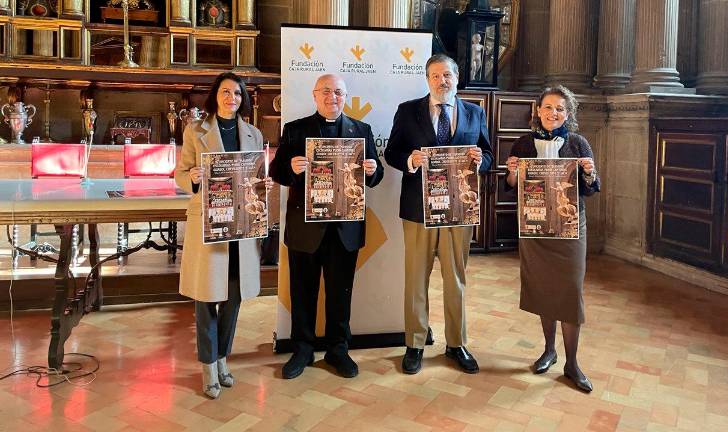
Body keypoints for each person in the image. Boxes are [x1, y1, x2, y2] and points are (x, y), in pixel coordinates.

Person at [384, 54, 493, 375]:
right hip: (418, 209)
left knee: (455, 279)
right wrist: (411, 161)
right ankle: (415, 344)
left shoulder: (475, 112)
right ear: (427, 79)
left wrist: (479, 159)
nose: (441, 80)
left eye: (447, 74)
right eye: (435, 75)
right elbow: (392, 152)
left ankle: (456, 344)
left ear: (457, 78)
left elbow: (487, 154)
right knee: (416, 279)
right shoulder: (408, 111)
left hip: (459, 209)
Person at [272, 73, 384, 379]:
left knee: (340, 293)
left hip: (344, 229)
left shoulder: (362, 130)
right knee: (302, 291)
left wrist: (372, 170)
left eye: (338, 92)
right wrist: (291, 169)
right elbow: (276, 172)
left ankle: (338, 349)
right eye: (326, 91)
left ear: (345, 96)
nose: (332, 96)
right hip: (305, 229)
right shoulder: (295, 130)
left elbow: (377, 175)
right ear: (314, 95)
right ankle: (303, 349)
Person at [175, 72, 272, 399]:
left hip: (241, 227)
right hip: (210, 224)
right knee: (206, 300)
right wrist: (193, 175)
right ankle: (208, 366)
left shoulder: (254, 134)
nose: (232, 98)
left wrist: (263, 186)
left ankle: (222, 358)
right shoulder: (196, 130)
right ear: (216, 95)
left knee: (234, 297)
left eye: (237, 93)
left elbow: (255, 178)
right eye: (226, 92)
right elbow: (180, 174)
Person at [504, 85, 600, 393]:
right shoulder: (521, 143)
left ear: (567, 114)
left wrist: (589, 171)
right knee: (544, 288)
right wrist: (512, 173)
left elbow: (591, 186)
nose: (553, 113)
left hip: (570, 227)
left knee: (570, 290)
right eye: (548, 107)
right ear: (537, 111)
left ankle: (572, 363)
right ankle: (549, 350)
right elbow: (511, 185)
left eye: (559, 108)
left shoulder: (578, 142)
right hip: (535, 228)